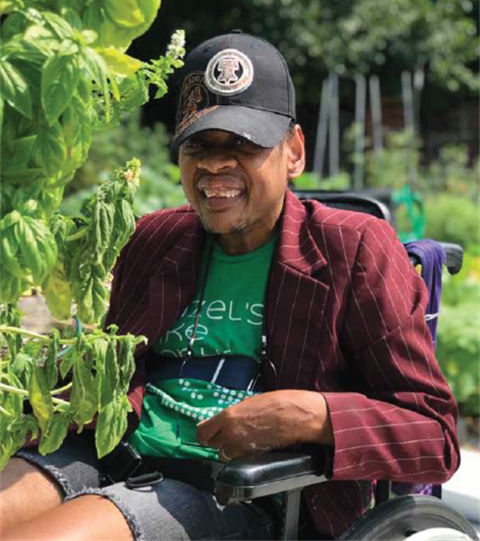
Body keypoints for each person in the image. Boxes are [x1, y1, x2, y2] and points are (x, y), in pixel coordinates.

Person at [1, 31, 460, 541]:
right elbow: (113, 376)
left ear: (294, 151)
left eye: (244, 144)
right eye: (199, 144)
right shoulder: (155, 238)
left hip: (239, 493)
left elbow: (434, 436)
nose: (216, 164)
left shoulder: (352, 248)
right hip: (113, 451)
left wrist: (311, 415)